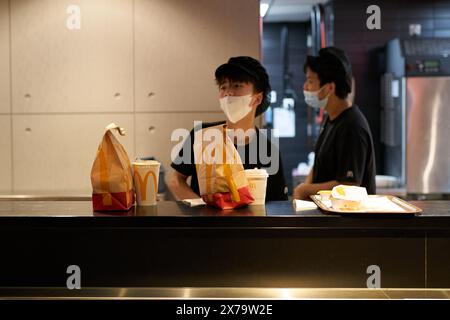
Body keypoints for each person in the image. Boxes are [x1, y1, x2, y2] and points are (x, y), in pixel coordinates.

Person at [168, 56, 288, 201]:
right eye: (223, 87)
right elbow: (175, 179)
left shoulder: (268, 149)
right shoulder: (203, 135)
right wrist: (200, 209)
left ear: (257, 98)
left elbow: (277, 203)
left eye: (237, 86)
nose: (228, 92)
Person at [293, 47, 376, 200]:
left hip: (349, 222)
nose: (305, 87)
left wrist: (305, 190)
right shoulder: (330, 118)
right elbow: (318, 164)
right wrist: (304, 190)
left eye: (310, 81)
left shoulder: (352, 127)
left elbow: (349, 186)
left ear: (329, 87)